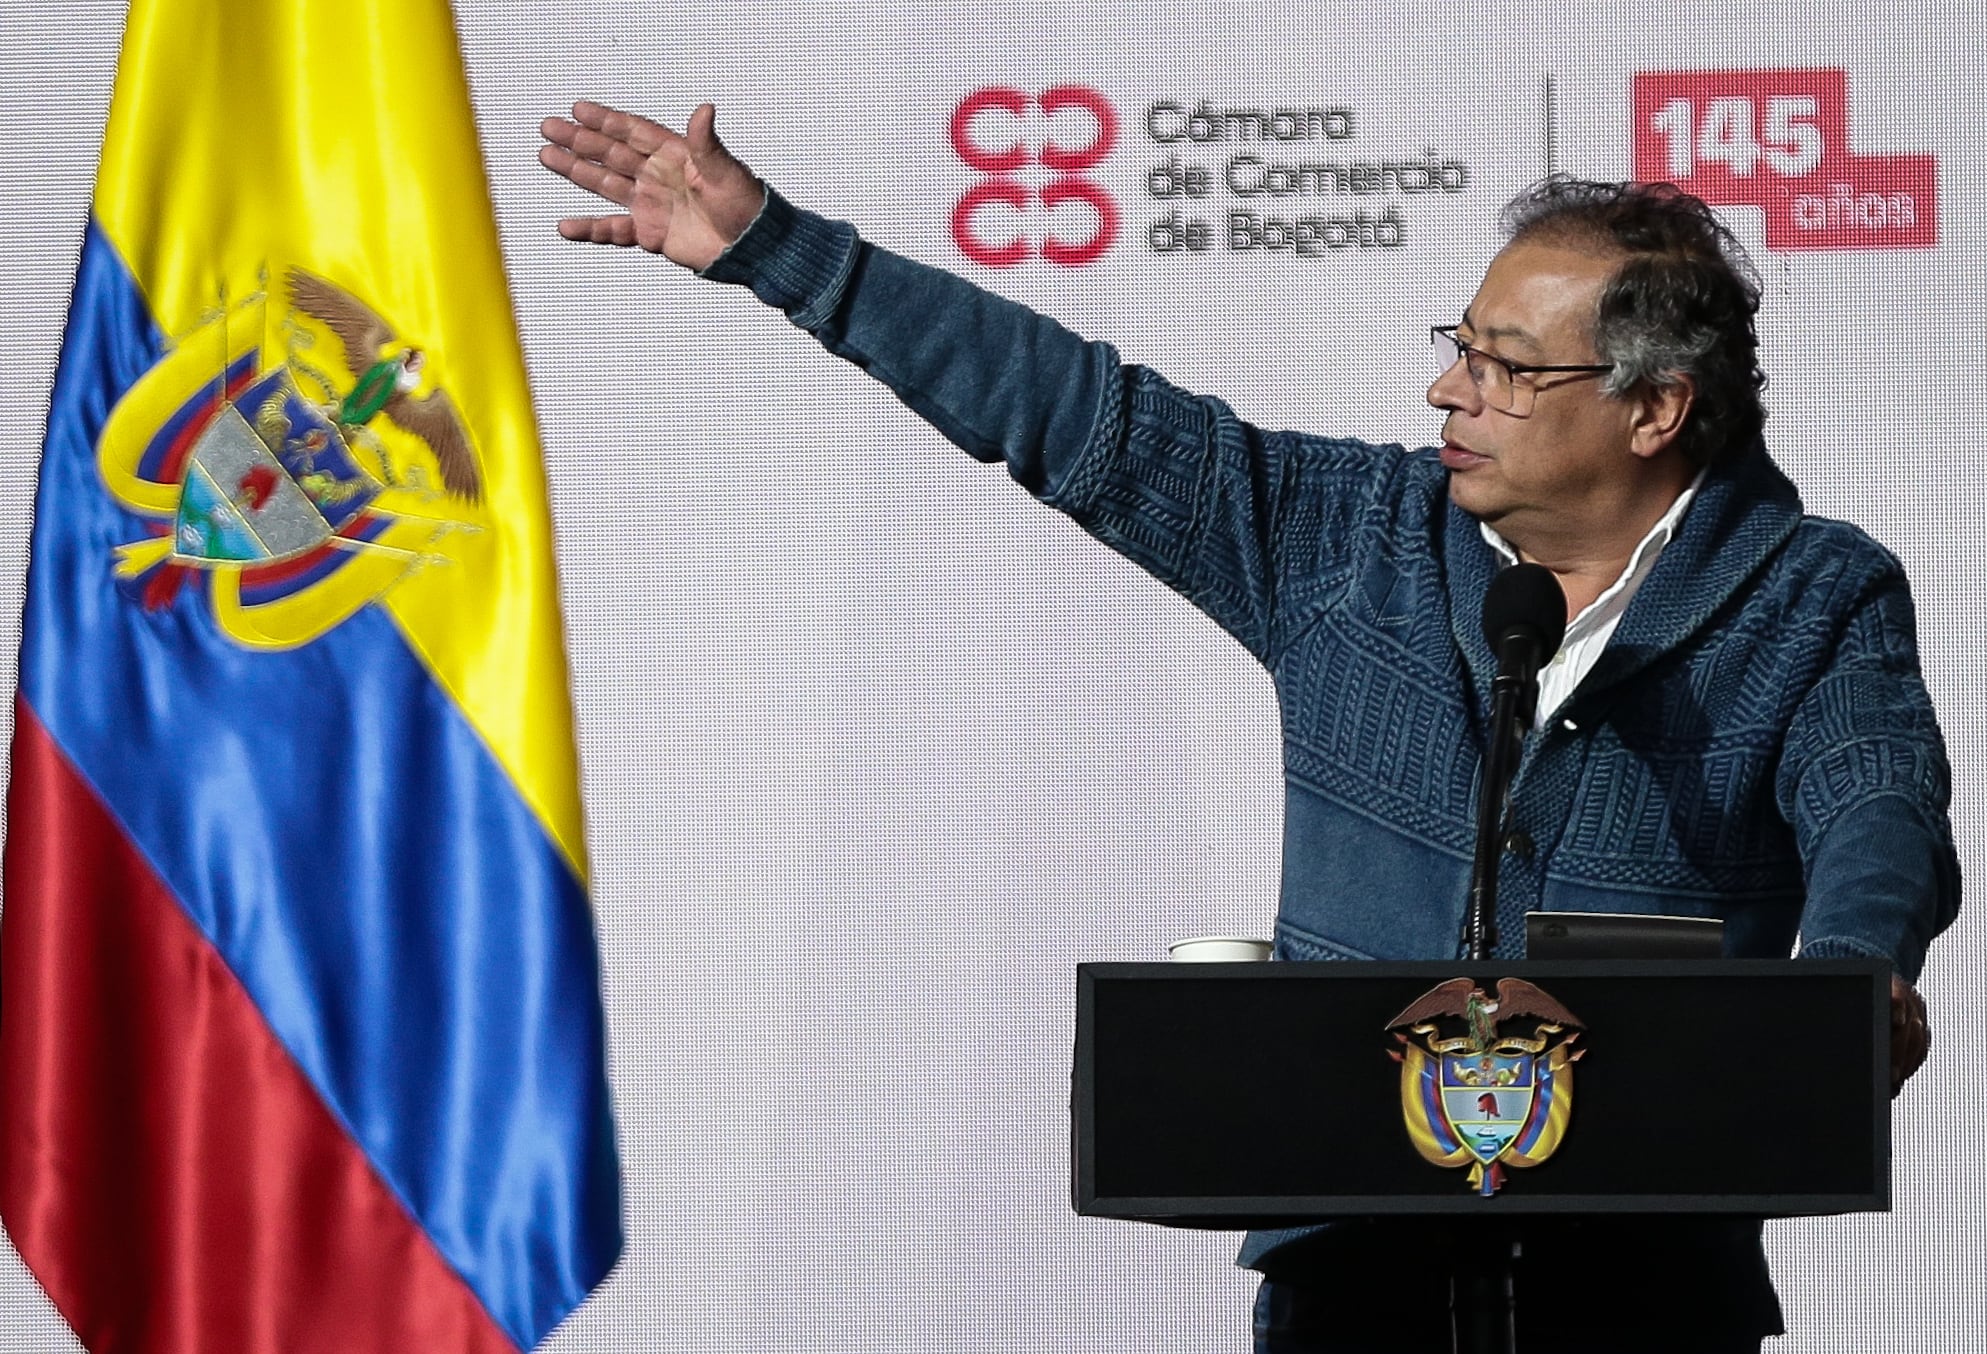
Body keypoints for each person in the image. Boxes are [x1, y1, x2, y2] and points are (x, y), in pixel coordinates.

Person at [537, 101, 1959, 1352]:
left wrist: (1847, 983)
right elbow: (1075, 415)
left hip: (1648, 1282)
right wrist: (776, 247)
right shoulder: (1346, 537)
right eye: (1457, 346)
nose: (1447, 391)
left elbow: (1877, 810)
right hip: (1353, 1276)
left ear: (1657, 407)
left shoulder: (1814, 594)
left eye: (1508, 368)